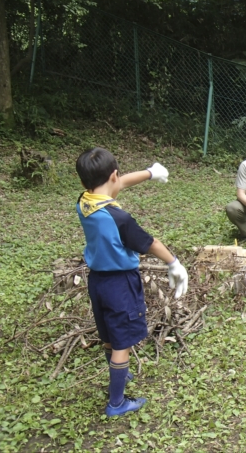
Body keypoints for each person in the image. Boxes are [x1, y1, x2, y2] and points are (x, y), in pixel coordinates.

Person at [75, 148, 188, 416]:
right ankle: (117, 403)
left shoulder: (84, 202)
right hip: (120, 284)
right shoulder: (120, 219)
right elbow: (151, 243)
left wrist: (151, 172)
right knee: (122, 342)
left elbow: (120, 182)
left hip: (98, 282)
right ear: (113, 174)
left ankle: (119, 376)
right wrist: (174, 264)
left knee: (109, 335)